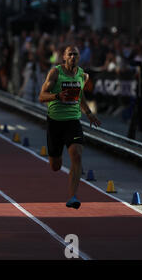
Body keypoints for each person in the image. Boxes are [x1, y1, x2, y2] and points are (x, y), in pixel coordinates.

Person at [38, 46, 101, 209]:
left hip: (73, 121)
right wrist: (57, 96)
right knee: (55, 166)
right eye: (70, 54)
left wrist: (88, 112)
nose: (73, 57)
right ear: (64, 57)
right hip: (55, 122)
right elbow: (41, 96)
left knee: (76, 154)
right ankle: (55, 158)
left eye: (75, 54)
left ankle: (72, 196)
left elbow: (80, 95)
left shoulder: (83, 75)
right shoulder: (55, 73)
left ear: (79, 57)